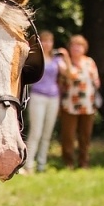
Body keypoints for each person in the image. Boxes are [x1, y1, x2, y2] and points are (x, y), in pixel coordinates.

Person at [57, 34, 101, 169]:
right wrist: (67, 58)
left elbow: (97, 82)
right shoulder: (64, 62)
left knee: (85, 136)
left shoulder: (90, 62)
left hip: (88, 105)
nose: (76, 48)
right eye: (74, 45)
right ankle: (68, 162)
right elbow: (71, 75)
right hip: (69, 104)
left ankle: (84, 162)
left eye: (80, 45)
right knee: (68, 136)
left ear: (85, 48)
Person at [22, 30, 60, 172]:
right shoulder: (35, 58)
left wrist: (66, 57)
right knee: (36, 132)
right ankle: (29, 164)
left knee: (47, 133)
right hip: (38, 96)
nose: (47, 44)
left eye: (50, 41)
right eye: (44, 41)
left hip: (54, 97)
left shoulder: (57, 60)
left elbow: (68, 74)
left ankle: (42, 164)